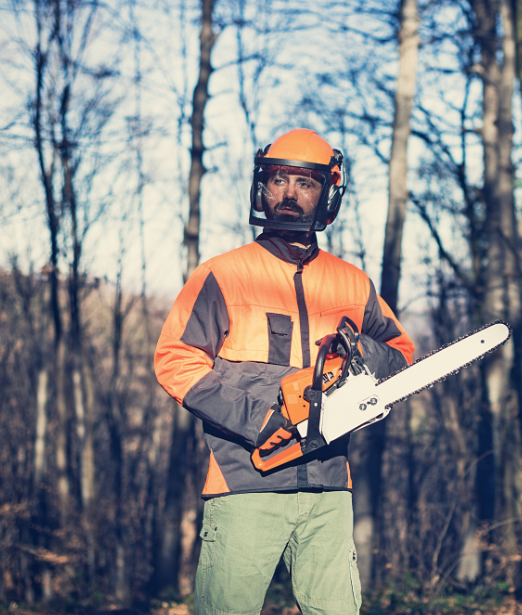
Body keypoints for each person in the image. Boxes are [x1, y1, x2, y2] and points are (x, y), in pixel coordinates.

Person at [154, 128, 415, 615]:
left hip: (329, 486)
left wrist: (359, 349)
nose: (290, 195)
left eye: (305, 183)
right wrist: (258, 417)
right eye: (279, 180)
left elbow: (400, 352)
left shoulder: (352, 282)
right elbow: (175, 358)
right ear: (262, 187)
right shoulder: (224, 274)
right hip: (244, 481)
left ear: (327, 193)